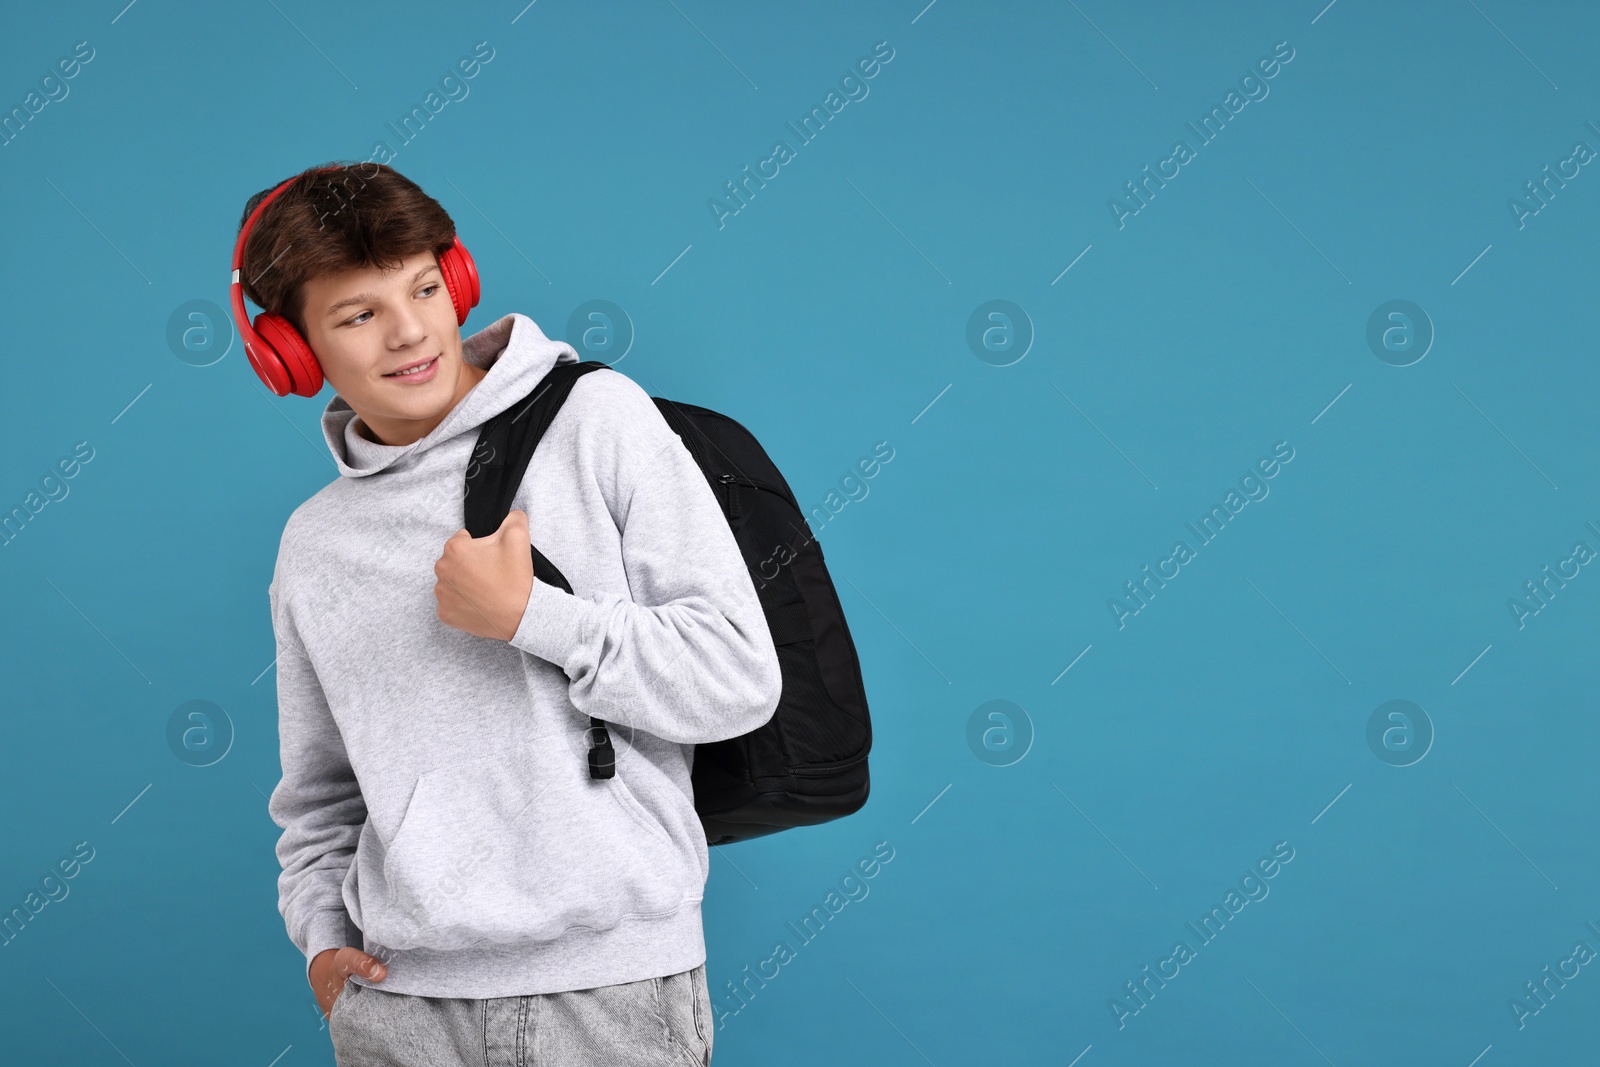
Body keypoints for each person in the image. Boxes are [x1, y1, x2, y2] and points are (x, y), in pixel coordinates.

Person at [241, 161, 781, 1065]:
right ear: (292, 355)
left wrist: (536, 615)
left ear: (455, 281)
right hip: (399, 1007)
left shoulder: (596, 422)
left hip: (610, 999)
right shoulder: (314, 543)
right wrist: (323, 936)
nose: (410, 331)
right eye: (358, 314)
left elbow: (737, 675)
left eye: (421, 287)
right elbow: (321, 791)